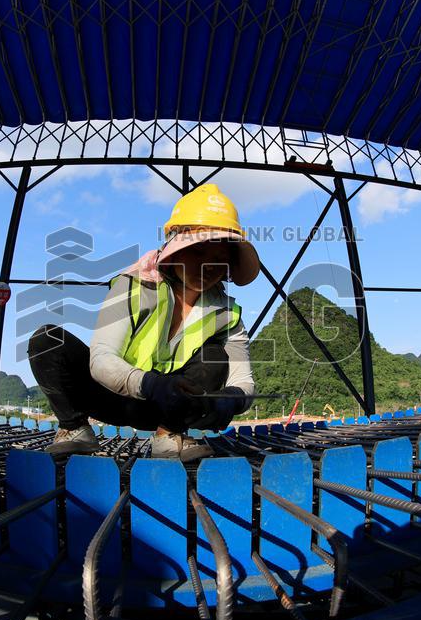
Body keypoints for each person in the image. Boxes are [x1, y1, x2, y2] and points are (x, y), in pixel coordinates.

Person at [28, 183, 259, 461]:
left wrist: (229, 400)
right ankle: (74, 428)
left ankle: (168, 436)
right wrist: (152, 385)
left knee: (214, 355)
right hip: (110, 396)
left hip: (171, 407)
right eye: (198, 252)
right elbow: (101, 359)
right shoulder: (134, 285)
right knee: (47, 340)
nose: (209, 266)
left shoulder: (228, 315)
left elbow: (244, 382)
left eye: (220, 259)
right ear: (175, 248)